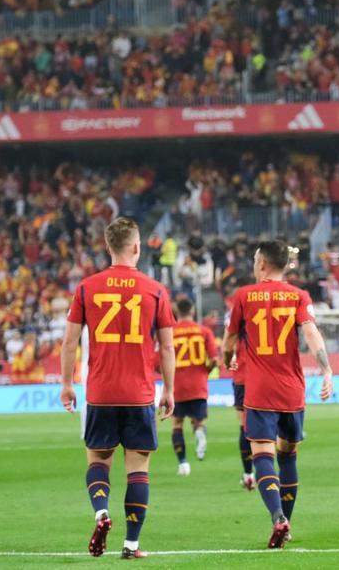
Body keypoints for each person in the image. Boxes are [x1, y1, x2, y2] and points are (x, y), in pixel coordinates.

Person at [59, 217, 177, 559]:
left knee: (98, 460)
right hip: (139, 393)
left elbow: (69, 343)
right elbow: (167, 348)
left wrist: (67, 385)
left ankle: (101, 512)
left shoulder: (86, 287)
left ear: (108, 247)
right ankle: (132, 544)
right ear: (137, 247)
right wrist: (169, 389)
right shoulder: (155, 290)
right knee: (138, 468)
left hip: (100, 392)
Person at [222, 241, 334, 549]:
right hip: (291, 389)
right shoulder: (299, 296)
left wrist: (228, 356)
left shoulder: (244, 296)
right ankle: (288, 522)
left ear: (261, 264)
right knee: (288, 455)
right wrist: (326, 370)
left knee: (263, 455)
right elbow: (310, 332)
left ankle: (277, 517)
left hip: (258, 390)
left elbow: (229, 340)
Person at [169, 295, 222, 476]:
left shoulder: (170, 332)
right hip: (198, 384)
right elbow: (215, 359)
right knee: (199, 421)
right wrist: (205, 371)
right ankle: (199, 432)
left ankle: (183, 463)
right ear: (192, 311)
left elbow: (158, 362)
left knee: (177, 424)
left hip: (177, 386)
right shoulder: (204, 331)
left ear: (177, 311)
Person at [229, 275, 256, 491]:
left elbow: (227, 348)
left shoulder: (236, 324)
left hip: (241, 379)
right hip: (262, 378)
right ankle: (267, 471)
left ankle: (248, 474)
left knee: (244, 426)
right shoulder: (261, 316)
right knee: (266, 427)